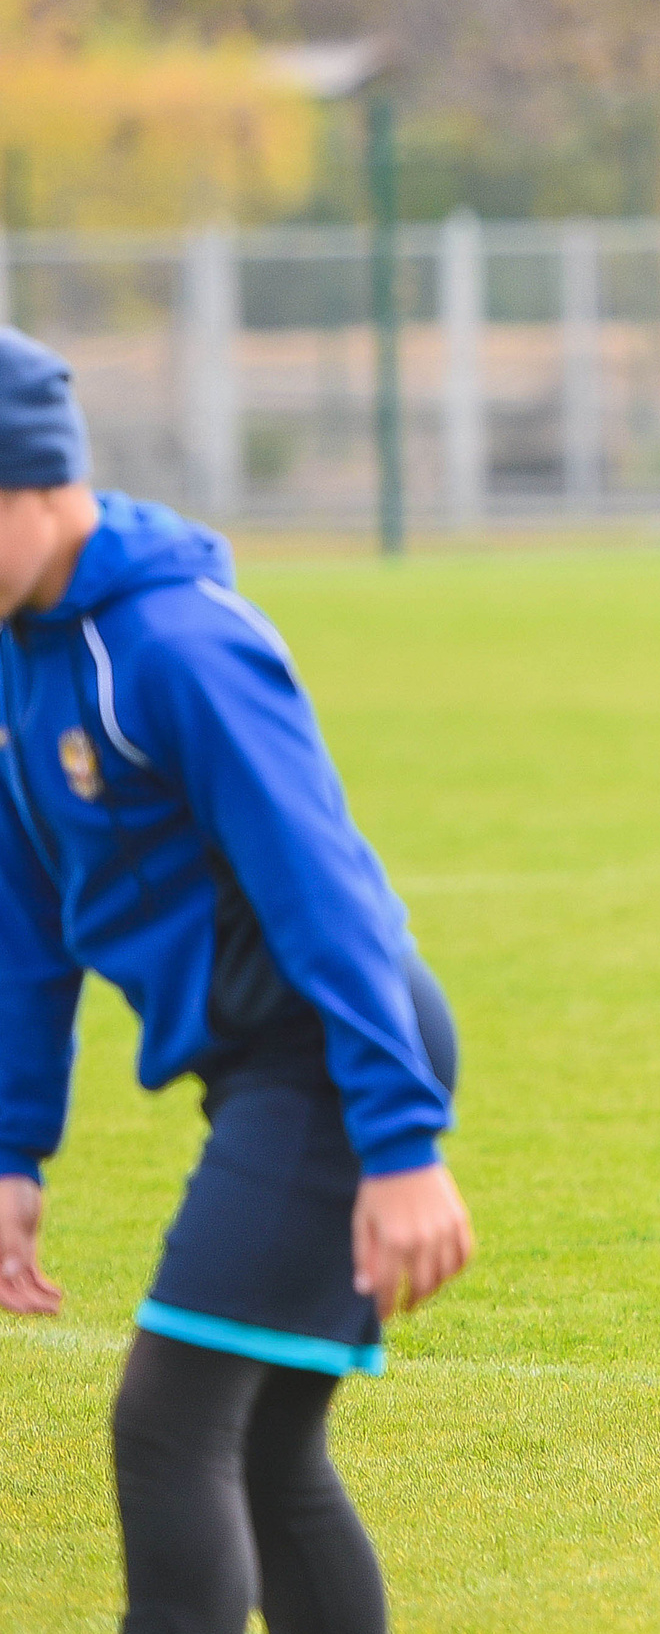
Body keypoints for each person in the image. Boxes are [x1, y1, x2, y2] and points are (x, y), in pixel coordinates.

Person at [0, 328, 471, 1634]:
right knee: (265, 1453)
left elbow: (327, 899)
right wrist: (13, 1154)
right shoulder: (16, 656)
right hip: (266, 1068)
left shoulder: (178, 645)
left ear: (30, 478)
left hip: (333, 1054)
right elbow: (26, 926)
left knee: (166, 1427)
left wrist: (402, 1147)